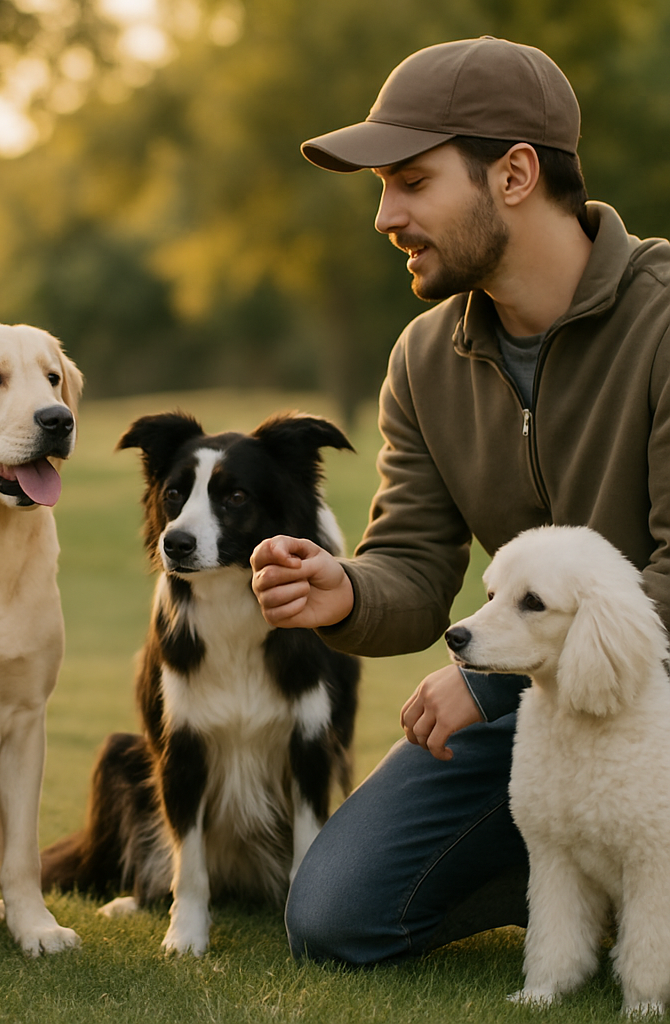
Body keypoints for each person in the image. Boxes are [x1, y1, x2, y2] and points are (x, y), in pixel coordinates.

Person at [250, 36, 670, 965]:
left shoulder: (665, 321)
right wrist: (347, 592)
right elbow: (415, 562)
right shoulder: (423, 358)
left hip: (659, 695)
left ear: (515, 172)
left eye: (409, 180)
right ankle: (588, 889)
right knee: (337, 918)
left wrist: (486, 679)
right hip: (543, 703)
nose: (385, 216)